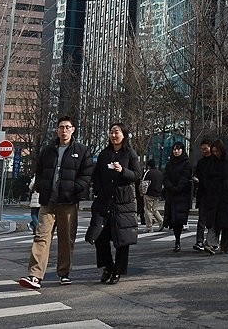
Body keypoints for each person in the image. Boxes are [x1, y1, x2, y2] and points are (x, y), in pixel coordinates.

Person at [18, 115, 93, 289]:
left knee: (66, 239)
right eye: (61, 127)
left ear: (73, 130)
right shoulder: (48, 150)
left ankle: (64, 273)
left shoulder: (81, 150)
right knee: (41, 237)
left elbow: (87, 174)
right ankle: (35, 275)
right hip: (48, 201)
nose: (64, 130)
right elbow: (40, 170)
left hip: (68, 201)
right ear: (57, 130)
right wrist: (40, 186)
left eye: (67, 127)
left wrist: (75, 188)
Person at [90, 122, 140, 283]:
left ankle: (117, 271)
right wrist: (98, 190)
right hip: (104, 201)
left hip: (123, 201)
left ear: (124, 135)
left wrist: (123, 171)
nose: (113, 135)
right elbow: (96, 175)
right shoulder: (104, 154)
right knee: (99, 236)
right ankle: (108, 266)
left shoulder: (130, 153)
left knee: (122, 238)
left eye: (116, 132)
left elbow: (136, 175)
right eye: (111, 132)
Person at [200, 139, 228, 253]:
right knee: (214, 221)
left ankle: (225, 246)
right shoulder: (212, 162)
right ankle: (212, 244)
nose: (215, 153)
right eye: (214, 151)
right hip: (214, 194)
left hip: (226, 195)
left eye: (217, 151)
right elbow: (206, 177)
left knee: (226, 223)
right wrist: (210, 186)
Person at [162, 141, 193, 251]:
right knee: (172, 219)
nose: (176, 151)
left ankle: (178, 240)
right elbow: (165, 177)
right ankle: (177, 240)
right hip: (171, 195)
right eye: (174, 149)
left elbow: (185, 177)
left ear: (182, 150)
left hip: (182, 195)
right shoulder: (169, 163)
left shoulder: (186, 163)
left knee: (179, 219)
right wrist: (170, 187)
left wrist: (178, 188)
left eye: (178, 149)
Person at [191, 139, 214, 252]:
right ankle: (199, 240)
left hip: (213, 193)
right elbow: (197, 175)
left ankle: (211, 241)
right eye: (202, 149)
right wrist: (196, 180)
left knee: (212, 219)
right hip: (203, 193)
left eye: (206, 148)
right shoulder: (200, 162)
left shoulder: (215, 161)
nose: (204, 151)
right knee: (202, 218)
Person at [141, 160, 164, 232]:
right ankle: (161, 222)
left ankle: (149, 227)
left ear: (148, 166)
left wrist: (143, 192)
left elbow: (145, 184)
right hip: (157, 194)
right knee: (155, 209)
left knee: (148, 210)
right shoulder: (160, 173)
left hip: (149, 193)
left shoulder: (148, 173)